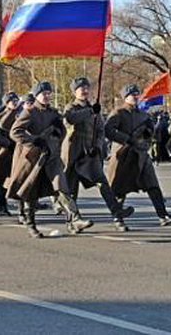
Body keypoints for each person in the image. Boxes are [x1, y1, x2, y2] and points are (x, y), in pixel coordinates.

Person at [7, 81, 93, 238]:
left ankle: (75, 218)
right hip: (34, 159)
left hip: (52, 156)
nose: (46, 96)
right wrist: (34, 140)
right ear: (36, 95)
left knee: (62, 186)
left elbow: (63, 132)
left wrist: (58, 134)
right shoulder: (29, 112)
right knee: (30, 192)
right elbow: (15, 132)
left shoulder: (54, 113)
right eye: (43, 93)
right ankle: (31, 225)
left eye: (48, 93)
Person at [62, 77, 134, 230]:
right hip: (74, 152)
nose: (85, 91)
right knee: (71, 189)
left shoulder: (95, 108)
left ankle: (117, 212)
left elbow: (101, 130)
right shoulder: (71, 107)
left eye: (86, 87)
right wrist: (89, 111)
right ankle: (73, 221)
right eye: (81, 88)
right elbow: (70, 119)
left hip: (90, 153)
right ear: (75, 91)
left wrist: (98, 146)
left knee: (103, 183)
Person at [105, 84, 171, 229]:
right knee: (120, 188)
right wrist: (127, 138)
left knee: (153, 185)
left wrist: (149, 131)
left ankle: (163, 216)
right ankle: (118, 219)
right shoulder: (118, 112)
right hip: (124, 156)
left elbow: (151, 135)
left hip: (141, 155)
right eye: (132, 94)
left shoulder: (143, 115)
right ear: (125, 97)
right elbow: (108, 130)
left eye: (137, 94)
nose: (135, 97)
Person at [0, 92, 20, 217]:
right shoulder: (1, 116)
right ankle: (2, 205)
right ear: (6, 103)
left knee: (18, 177)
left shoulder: (19, 114)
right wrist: (7, 143)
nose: (14, 102)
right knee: (1, 180)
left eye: (16, 100)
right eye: (12, 100)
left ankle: (22, 206)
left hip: (16, 151)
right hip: (3, 152)